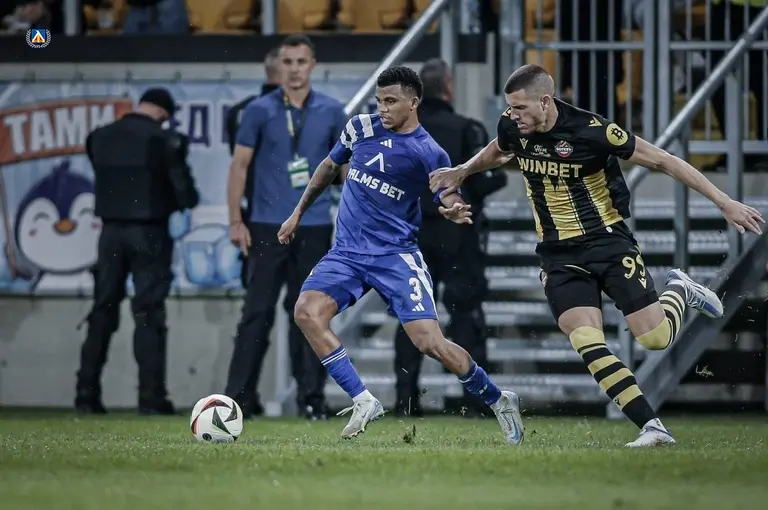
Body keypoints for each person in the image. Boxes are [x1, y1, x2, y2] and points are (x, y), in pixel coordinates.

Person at [429, 64, 764, 447]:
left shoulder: (593, 130)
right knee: (586, 339)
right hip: (558, 254)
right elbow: (498, 150)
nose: (512, 115)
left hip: (607, 243)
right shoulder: (513, 126)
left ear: (545, 101)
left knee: (655, 338)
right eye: (510, 107)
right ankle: (651, 426)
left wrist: (723, 202)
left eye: (520, 107)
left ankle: (680, 290)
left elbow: (663, 160)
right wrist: (463, 171)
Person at [277, 66, 525, 444]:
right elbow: (329, 166)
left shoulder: (428, 151)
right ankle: (363, 400)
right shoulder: (360, 128)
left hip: (395, 257)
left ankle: (498, 399)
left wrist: (453, 208)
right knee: (306, 312)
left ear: (414, 102)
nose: (382, 108)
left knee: (430, 343)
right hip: (347, 253)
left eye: (391, 101)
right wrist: (297, 213)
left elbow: (447, 191)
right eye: (379, 100)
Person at [224, 34, 347, 421]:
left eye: (301, 62)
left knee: (310, 315)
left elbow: (346, 170)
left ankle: (312, 399)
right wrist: (235, 221)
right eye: (288, 62)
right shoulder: (258, 110)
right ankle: (238, 399)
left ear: (313, 65)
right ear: (279, 66)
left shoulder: (333, 111)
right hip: (265, 225)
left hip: (313, 226)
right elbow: (239, 167)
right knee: (256, 313)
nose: (294, 69)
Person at [393, 58, 507, 417]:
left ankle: (406, 401)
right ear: (449, 87)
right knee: (464, 315)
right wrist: (465, 192)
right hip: (459, 234)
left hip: (412, 236)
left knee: (411, 318)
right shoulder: (467, 130)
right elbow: (493, 178)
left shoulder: (402, 135)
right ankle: (475, 401)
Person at [75, 87, 200, 415]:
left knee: (102, 311)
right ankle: (151, 397)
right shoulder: (165, 140)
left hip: (109, 234)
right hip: (150, 233)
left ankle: (86, 395)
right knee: (148, 314)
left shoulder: (100, 137)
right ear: (163, 113)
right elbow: (186, 195)